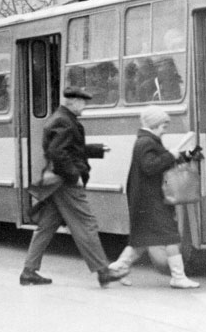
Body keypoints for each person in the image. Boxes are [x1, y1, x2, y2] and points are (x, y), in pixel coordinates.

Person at [19, 87, 126, 288]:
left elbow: (68, 149)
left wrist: (95, 150)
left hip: (56, 183)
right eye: (83, 102)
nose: (84, 107)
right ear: (73, 102)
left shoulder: (61, 118)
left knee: (46, 226)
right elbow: (57, 152)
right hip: (65, 183)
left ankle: (29, 271)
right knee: (86, 224)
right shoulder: (64, 121)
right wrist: (74, 175)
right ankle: (103, 271)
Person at [108, 106, 200, 289]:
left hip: (146, 200)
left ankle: (114, 270)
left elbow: (158, 161)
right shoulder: (147, 142)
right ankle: (178, 277)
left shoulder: (145, 141)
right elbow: (150, 167)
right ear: (155, 124)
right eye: (164, 126)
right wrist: (171, 155)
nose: (165, 130)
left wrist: (185, 155)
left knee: (142, 240)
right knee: (170, 236)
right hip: (151, 200)